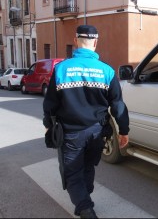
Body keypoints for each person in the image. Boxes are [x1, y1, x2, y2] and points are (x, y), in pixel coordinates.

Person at [43, 25, 130, 218]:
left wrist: (48, 125)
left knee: (73, 173)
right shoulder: (107, 71)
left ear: (76, 41)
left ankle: (84, 208)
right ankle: (85, 196)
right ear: (96, 42)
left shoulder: (61, 69)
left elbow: (50, 104)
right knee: (88, 167)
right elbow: (118, 106)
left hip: (71, 133)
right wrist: (123, 131)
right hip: (97, 132)